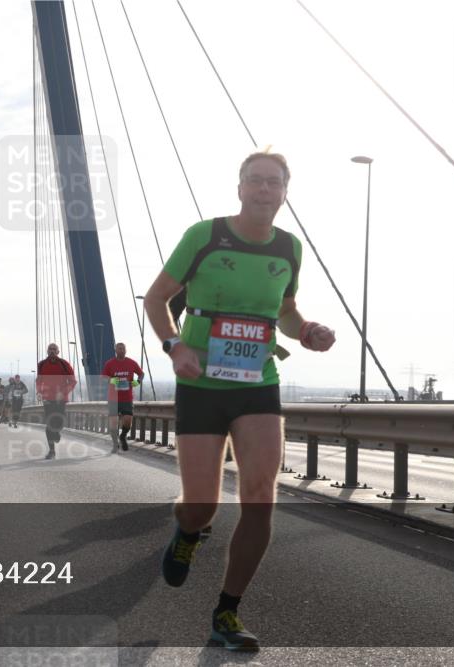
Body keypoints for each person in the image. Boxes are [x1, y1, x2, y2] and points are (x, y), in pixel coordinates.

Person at [144, 151, 335, 652]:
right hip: (202, 385)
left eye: (274, 182)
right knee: (202, 505)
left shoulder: (290, 248)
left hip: (257, 382)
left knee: (260, 495)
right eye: (255, 181)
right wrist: (175, 346)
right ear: (240, 187)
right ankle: (188, 531)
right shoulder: (204, 236)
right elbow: (156, 297)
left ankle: (227, 611)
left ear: (285, 191)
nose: (264, 190)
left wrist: (308, 330)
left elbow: (286, 309)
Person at [35, 343, 76, 460]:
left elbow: (73, 381)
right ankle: (51, 451)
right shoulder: (41, 364)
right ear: (47, 351)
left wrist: (63, 393)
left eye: (54, 349)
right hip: (47, 399)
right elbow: (39, 381)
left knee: (60, 421)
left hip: (61, 399)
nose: (52, 351)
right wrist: (40, 392)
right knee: (49, 424)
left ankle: (57, 432)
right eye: (50, 349)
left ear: (58, 352)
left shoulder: (64, 364)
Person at [102, 342, 144, 453]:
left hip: (127, 398)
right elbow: (103, 377)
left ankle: (123, 436)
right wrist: (110, 380)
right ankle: (115, 444)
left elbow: (141, 374)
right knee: (114, 422)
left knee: (127, 421)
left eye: (123, 348)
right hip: (113, 398)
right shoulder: (109, 363)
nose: (121, 350)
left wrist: (137, 382)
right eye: (119, 348)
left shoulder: (131, 362)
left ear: (126, 350)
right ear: (115, 350)